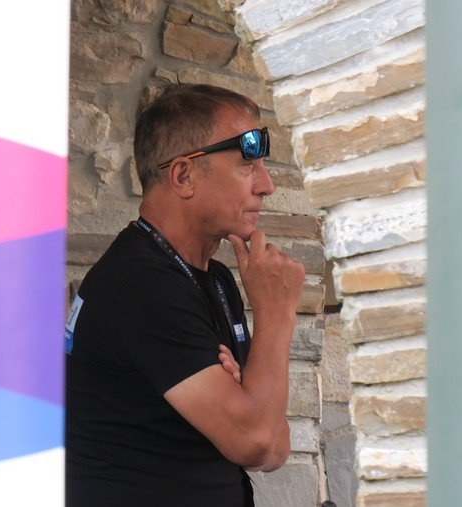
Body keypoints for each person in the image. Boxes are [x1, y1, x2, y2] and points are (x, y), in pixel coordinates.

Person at [65, 84, 304, 506]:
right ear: (183, 176)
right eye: (247, 164)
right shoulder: (141, 285)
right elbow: (257, 443)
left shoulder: (215, 279)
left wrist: (253, 406)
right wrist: (277, 312)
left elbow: (276, 446)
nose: (267, 185)